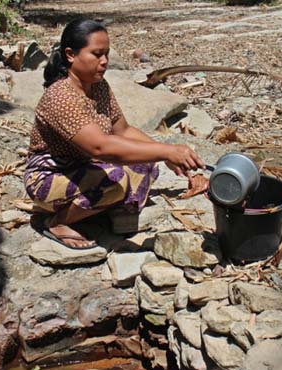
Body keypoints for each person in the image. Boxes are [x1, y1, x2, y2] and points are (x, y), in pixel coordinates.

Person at [24, 18, 205, 249]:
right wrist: (167, 151)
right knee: (116, 178)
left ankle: (110, 208)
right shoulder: (60, 97)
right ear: (70, 55)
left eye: (107, 54)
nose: (104, 62)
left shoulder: (98, 86)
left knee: (146, 165)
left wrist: (168, 157)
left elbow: (124, 130)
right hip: (50, 176)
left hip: (85, 166)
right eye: (97, 54)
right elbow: (101, 148)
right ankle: (56, 221)